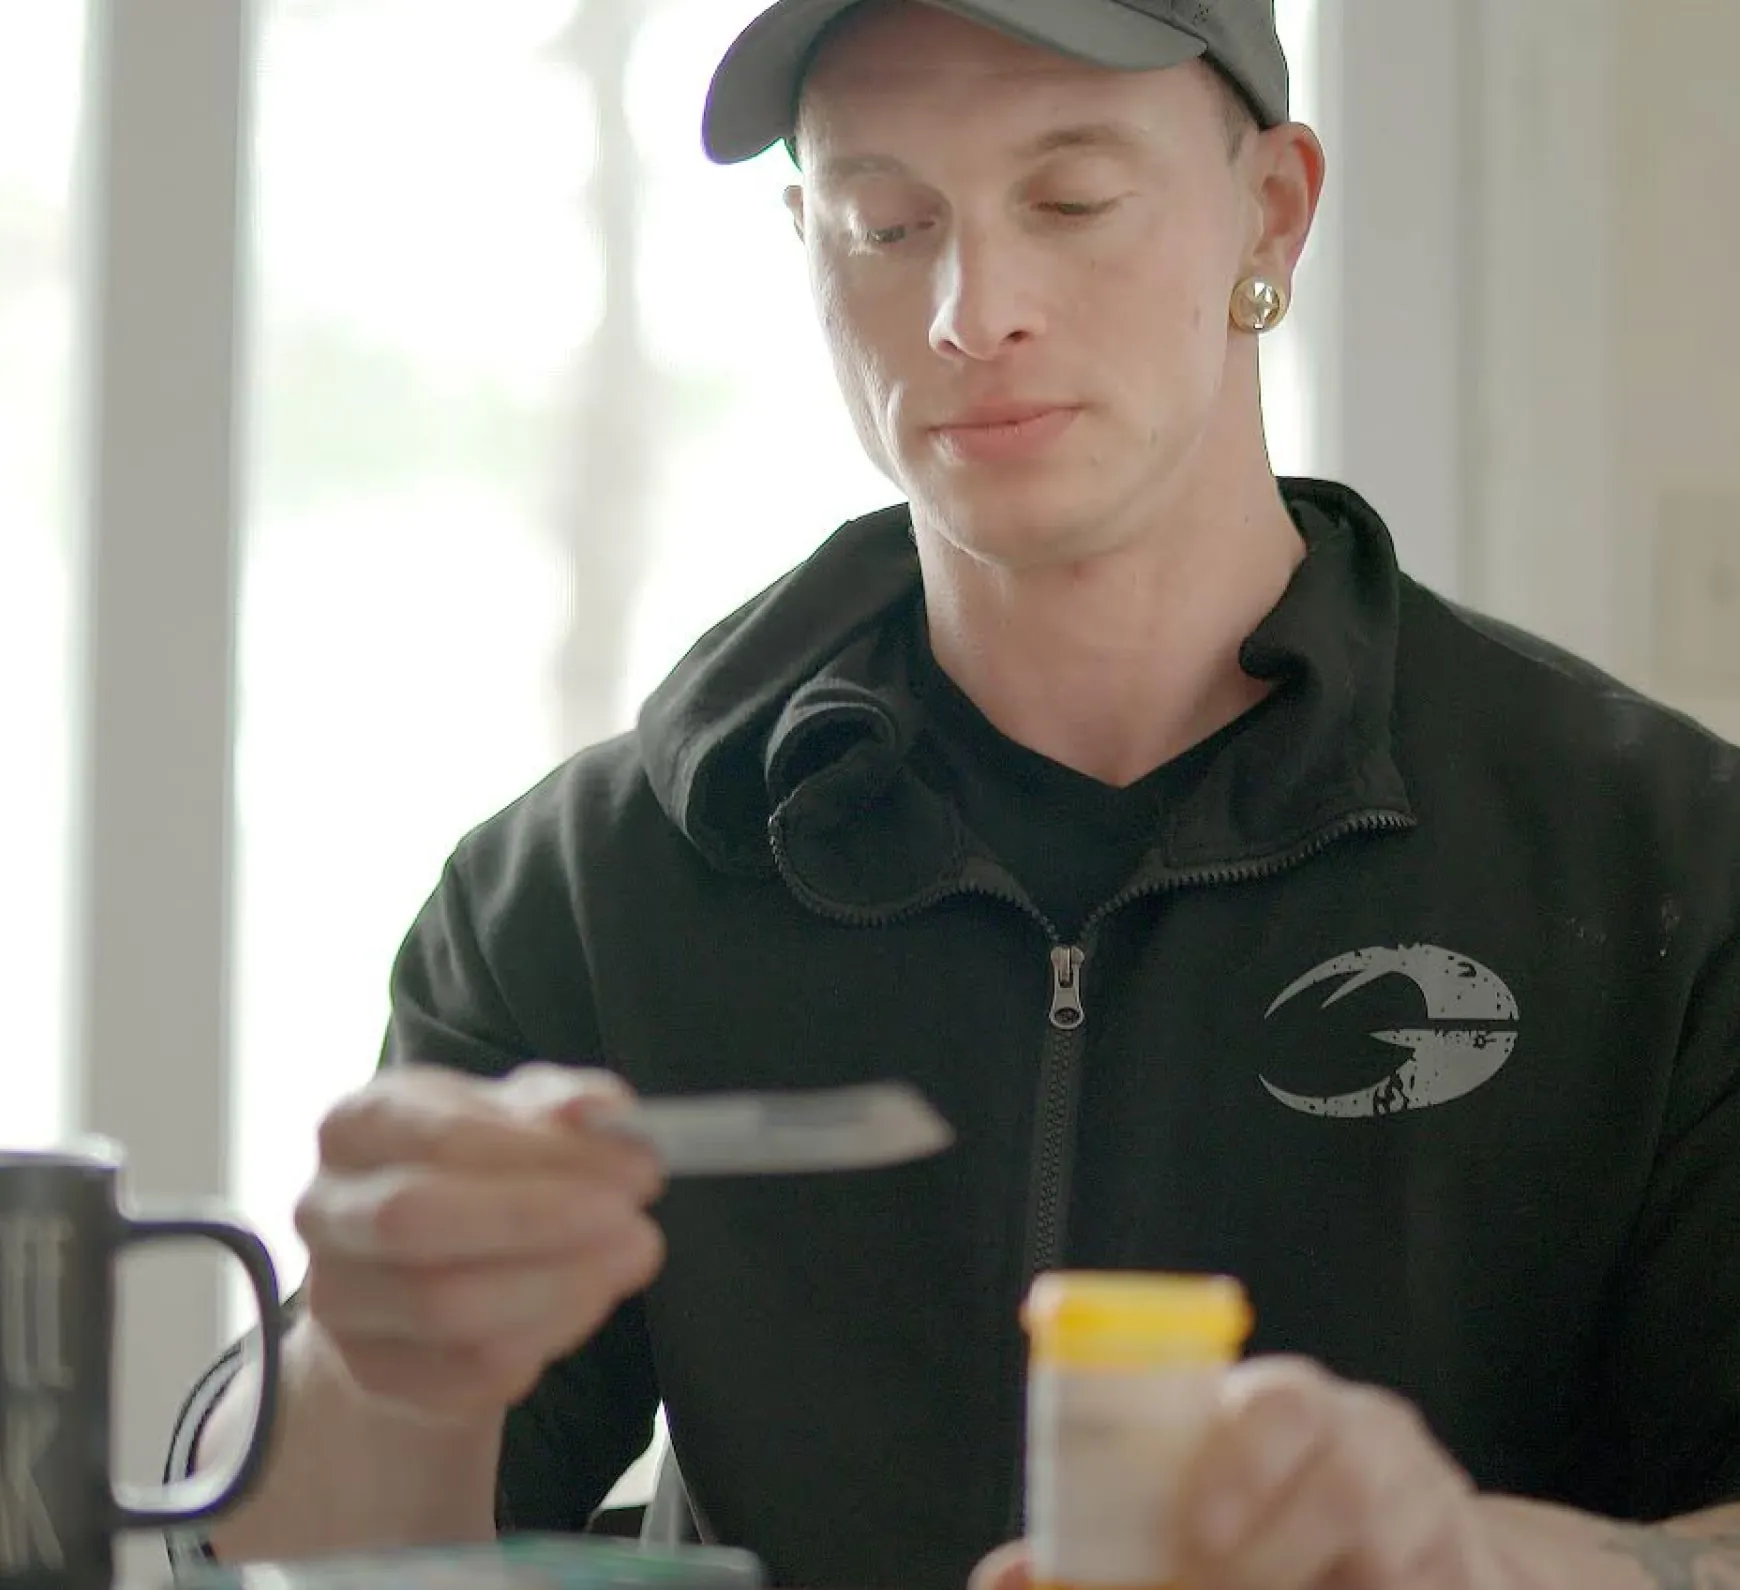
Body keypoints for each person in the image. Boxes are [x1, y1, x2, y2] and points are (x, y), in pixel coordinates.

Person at [173, 2, 1740, 1587]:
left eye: (1069, 201)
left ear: (1272, 208)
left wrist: (1469, 1559)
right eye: (886, 223)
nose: (968, 311)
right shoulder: (588, 888)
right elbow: (268, 1556)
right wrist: (383, 1355)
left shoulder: (1664, 865)